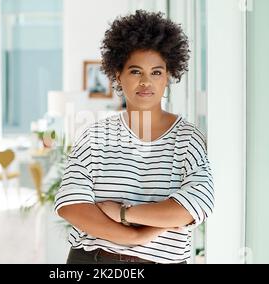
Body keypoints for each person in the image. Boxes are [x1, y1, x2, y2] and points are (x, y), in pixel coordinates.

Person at [54, 10, 214, 264]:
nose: (146, 82)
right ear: (118, 74)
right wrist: (133, 238)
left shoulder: (189, 139)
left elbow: (193, 206)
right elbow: (71, 204)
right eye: (136, 71)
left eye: (157, 72)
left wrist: (123, 213)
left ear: (169, 76)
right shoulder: (94, 136)